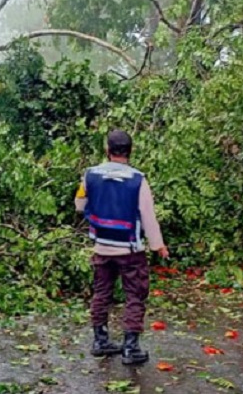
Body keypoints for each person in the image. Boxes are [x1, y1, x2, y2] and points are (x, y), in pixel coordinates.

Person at [75, 129, 169, 365]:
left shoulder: (90, 175)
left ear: (107, 150)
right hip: (130, 250)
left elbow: (79, 204)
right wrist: (158, 245)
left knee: (101, 292)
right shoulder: (138, 179)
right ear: (130, 151)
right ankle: (130, 347)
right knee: (135, 295)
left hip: (102, 247)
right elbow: (148, 216)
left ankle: (100, 341)